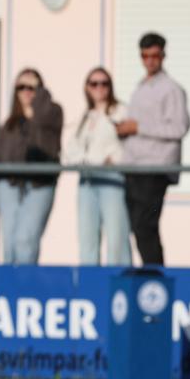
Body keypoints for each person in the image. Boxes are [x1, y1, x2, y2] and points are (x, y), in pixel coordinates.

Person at [115, 32, 190, 265]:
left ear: (163, 56)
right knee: (135, 227)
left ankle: (155, 279)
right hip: (134, 168)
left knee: (145, 227)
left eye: (155, 56)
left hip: (155, 168)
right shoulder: (141, 87)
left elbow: (179, 127)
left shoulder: (171, 89)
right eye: (145, 56)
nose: (150, 61)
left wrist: (138, 127)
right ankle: (147, 275)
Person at [0, 69, 63, 264]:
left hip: (39, 185)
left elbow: (43, 118)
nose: (26, 91)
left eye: (32, 87)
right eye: (21, 87)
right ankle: (11, 288)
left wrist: (40, 93)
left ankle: (25, 284)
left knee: (26, 239)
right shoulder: (10, 122)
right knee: (10, 240)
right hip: (10, 184)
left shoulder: (51, 113)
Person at [61, 67, 132, 265]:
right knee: (87, 237)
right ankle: (90, 286)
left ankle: (120, 284)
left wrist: (114, 159)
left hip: (111, 178)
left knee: (117, 235)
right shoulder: (85, 116)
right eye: (94, 83)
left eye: (104, 83)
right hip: (87, 179)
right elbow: (72, 147)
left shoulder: (121, 110)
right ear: (87, 87)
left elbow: (130, 145)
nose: (99, 88)